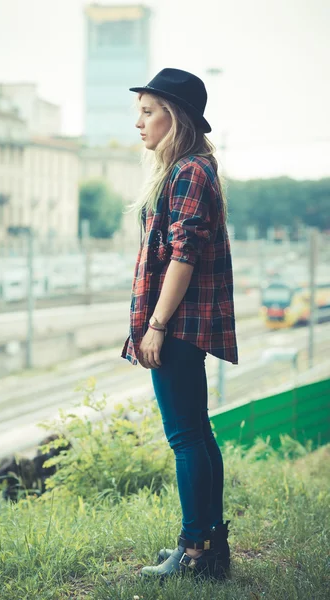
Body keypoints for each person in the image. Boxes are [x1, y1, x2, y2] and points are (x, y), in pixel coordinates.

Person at [121, 68, 238, 581]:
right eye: (139, 112)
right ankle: (207, 548)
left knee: (185, 437)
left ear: (177, 116)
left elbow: (183, 257)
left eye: (149, 111)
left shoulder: (189, 171)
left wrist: (157, 325)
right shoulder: (192, 169)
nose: (140, 123)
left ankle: (195, 551)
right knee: (197, 433)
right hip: (187, 323)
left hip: (179, 324)